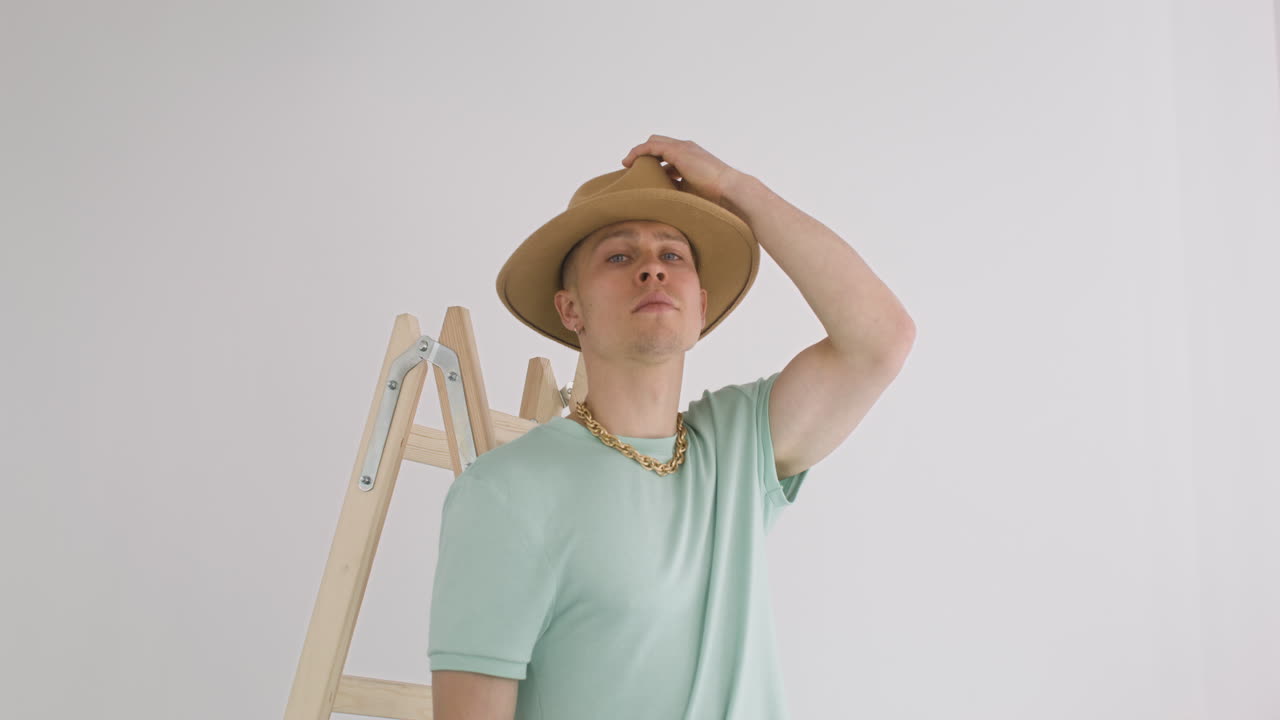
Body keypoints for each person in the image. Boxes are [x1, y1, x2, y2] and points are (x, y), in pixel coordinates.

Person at [428, 136, 916, 720]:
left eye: (673, 255)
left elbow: (880, 340)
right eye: (618, 256)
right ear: (570, 310)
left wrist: (736, 188)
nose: (652, 267)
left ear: (701, 306)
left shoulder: (739, 449)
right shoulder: (505, 491)